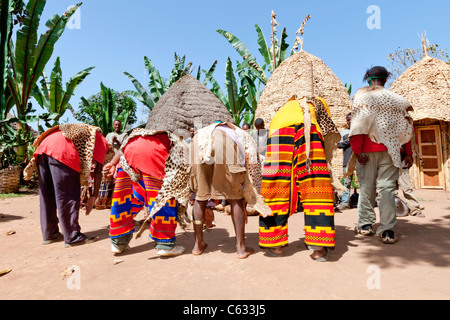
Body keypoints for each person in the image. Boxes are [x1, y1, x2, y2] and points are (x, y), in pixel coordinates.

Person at [259, 97, 336, 262]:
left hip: (278, 134)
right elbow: (328, 132)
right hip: (308, 132)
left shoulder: (283, 108)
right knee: (315, 186)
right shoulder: (319, 102)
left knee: (276, 187)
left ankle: (275, 245)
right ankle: (318, 249)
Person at [349, 66, 415, 244]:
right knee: (387, 190)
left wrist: (357, 150)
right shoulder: (395, 100)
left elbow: (357, 125)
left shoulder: (361, 97)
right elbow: (406, 126)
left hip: (366, 151)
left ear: (368, 78)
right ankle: (388, 231)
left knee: (366, 188)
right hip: (390, 151)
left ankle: (365, 225)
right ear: (386, 79)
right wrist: (408, 152)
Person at [103, 128, 190, 256]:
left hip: (128, 151)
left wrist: (112, 163)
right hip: (154, 152)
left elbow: (125, 143)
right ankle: (165, 244)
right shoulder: (174, 134)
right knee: (162, 197)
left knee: (126, 197)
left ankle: (118, 243)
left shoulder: (142, 129)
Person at [190, 121, 270, 259]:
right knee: (235, 196)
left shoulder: (203, 131)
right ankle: (241, 248)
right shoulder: (243, 136)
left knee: (200, 196)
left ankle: (198, 245)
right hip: (222, 143)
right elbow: (252, 168)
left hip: (197, 142)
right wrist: (246, 199)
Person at [25, 124, 109, 247]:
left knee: (47, 194)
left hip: (43, 148)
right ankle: (72, 236)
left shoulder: (88, 134)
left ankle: (50, 233)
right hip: (62, 150)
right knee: (68, 194)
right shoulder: (103, 141)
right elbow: (98, 171)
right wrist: (94, 196)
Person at [336, 113, 353, 210]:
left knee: (364, 183)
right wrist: (348, 141)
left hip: (361, 161)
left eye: (351, 119)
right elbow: (339, 145)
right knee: (346, 182)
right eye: (348, 120)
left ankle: (364, 204)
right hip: (347, 161)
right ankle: (345, 203)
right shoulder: (344, 132)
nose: (350, 122)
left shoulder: (360, 131)